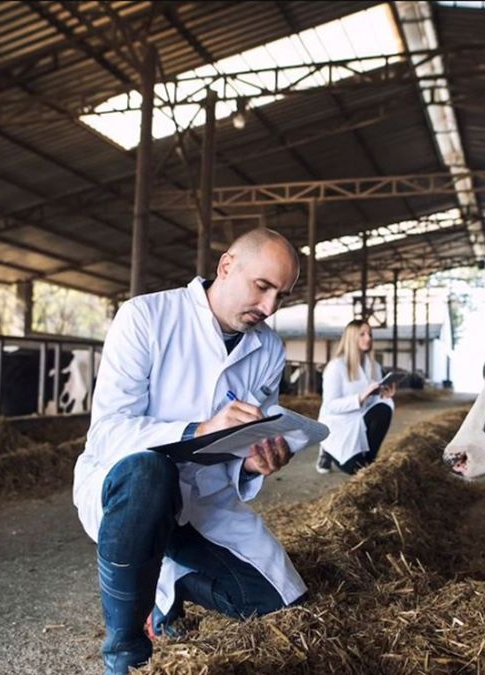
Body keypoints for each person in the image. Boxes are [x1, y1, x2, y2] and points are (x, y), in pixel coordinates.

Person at [72, 228, 306, 674]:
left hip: (205, 502)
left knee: (279, 603)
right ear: (226, 267)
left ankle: (169, 579)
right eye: (262, 287)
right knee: (148, 472)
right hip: (130, 497)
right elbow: (107, 431)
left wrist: (254, 460)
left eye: (282, 295)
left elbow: (251, 433)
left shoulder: (269, 348)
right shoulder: (146, 316)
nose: (270, 307)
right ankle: (125, 653)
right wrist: (197, 429)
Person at [315, 319, 395, 475]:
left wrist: (384, 395)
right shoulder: (336, 366)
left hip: (360, 418)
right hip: (339, 423)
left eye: (370, 334)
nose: (368, 338)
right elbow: (331, 405)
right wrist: (360, 397)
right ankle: (327, 449)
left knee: (385, 408)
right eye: (362, 334)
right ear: (351, 338)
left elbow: (374, 401)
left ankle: (370, 459)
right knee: (353, 469)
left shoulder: (374, 366)